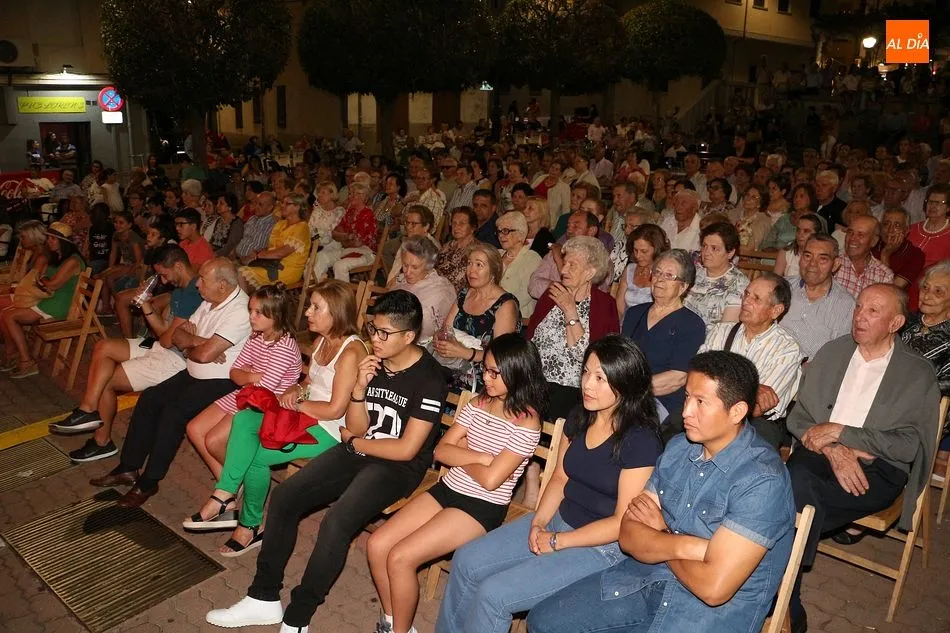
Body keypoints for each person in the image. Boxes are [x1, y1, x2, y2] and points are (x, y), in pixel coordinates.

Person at [205, 290, 448, 632]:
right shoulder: (373, 365)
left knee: (336, 522)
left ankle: (298, 617)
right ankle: (263, 598)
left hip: (396, 466)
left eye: (383, 334)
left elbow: (407, 450)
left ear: (408, 336)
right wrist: (360, 390)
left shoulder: (431, 378)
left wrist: (356, 440)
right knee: (286, 496)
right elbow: (355, 425)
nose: (374, 340)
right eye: (372, 330)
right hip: (360, 447)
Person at [527, 351, 796, 633]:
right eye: (687, 397)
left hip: (704, 616)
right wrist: (689, 546)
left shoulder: (762, 481)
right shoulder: (679, 448)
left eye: (701, 402)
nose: (687, 411)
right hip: (644, 580)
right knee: (544, 621)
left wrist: (663, 535)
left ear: (737, 412)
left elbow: (713, 588)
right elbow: (629, 535)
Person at [436, 335, 663, 633]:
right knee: (467, 560)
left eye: (600, 378)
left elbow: (622, 522)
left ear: (626, 384)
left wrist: (558, 541)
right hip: (558, 520)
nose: (587, 385)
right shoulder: (581, 416)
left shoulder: (640, 440)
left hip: (600, 546)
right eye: (585, 373)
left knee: (495, 595)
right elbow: (559, 477)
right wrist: (538, 524)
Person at [785, 284, 940, 633]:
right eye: (858, 307)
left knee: (788, 498)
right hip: (817, 455)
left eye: (873, 311)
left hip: (879, 471)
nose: (859, 316)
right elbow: (797, 418)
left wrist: (842, 432)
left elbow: (908, 447)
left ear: (896, 322)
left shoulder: (916, 373)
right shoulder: (833, 352)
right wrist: (833, 448)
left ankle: (782, 594)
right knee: (798, 484)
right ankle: (787, 598)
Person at [367, 334, 546, 633]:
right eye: (485, 369)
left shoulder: (527, 422)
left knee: (400, 557)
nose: (485, 378)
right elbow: (440, 451)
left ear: (516, 372)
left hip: (482, 506)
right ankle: (392, 622)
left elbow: (491, 482)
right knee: (377, 544)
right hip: (449, 488)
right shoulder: (479, 403)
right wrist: (486, 458)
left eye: (494, 373)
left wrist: (468, 458)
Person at [89, 258, 251, 508]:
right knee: (150, 398)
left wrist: (194, 344)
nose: (197, 284)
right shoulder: (211, 300)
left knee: (173, 413)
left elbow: (204, 354)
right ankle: (128, 467)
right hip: (195, 371)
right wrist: (198, 342)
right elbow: (177, 336)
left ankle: (149, 481)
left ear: (221, 284)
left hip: (222, 379)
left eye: (203, 279)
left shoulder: (240, 311)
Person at [50, 246, 203, 461]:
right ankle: (88, 409)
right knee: (103, 347)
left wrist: (147, 308)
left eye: (164, 274)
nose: (164, 280)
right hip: (162, 346)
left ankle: (101, 441)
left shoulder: (194, 293)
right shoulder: (180, 290)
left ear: (178, 266)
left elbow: (168, 340)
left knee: (107, 379)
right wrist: (149, 304)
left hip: (176, 359)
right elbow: (165, 335)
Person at [691, 273, 803, 448]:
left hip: (757, 423)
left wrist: (720, 383)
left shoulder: (787, 349)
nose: (746, 301)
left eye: (756, 298)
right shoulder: (721, 332)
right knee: (673, 428)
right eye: (747, 294)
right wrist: (753, 387)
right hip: (707, 409)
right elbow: (697, 378)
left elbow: (757, 407)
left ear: (776, 310)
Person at [526, 236, 619, 413]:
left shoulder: (605, 305)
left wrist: (570, 309)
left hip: (574, 393)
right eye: (565, 263)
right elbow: (530, 340)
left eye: (572, 265)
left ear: (590, 273)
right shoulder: (551, 294)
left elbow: (589, 358)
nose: (564, 269)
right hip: (533, 383)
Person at [621, 249, 706, 418]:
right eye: (657, 272)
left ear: (683, 287)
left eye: (669, 275)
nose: (660, 279)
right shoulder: (634, 313)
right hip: (624, 393)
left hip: (660, 400)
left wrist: (629, 390)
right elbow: (621, 358)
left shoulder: (691, 324)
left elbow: (677, 378)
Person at [0, 222, 85, 379]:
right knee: (5, 313)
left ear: (64, 242)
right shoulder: (58, 256)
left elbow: (52, 284)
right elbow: (42, 279)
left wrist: (43, 279)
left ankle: (26, 361)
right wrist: (43, 279)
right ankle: (15, 355)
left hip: (59, 304)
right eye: (49, 238)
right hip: (48, 299)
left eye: (53, 239)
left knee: (8, 316)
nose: (49, 242)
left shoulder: (73, 261)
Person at [433, 244, 520, 387]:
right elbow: (446, 329)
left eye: (479, 265)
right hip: (452, 364)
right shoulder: (464, 294)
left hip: (484, 374)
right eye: (469, 264)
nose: (471, 270)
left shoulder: (505, 305)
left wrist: (465, 353)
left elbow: (501, 356)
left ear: (493, 271)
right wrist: (440, 339)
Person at [901, 262, 950, 480]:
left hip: (926, 409)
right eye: (925, 288)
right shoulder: (903, 320)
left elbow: (945, 386)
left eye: (938, 291)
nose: (928, 295)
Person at [783, 234, 856, 361]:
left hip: (812, 373)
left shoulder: (847, 305)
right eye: (807, 256)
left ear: (835, 265)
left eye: (822, 259)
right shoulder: (782, 288)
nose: (812, 264)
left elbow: (839, 356)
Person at [239, 193, 311, 290]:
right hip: (271, 264)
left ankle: (247, 303)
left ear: (297, 207)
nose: (282, 206)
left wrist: (259, 255)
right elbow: (270, 247)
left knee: (240, 274)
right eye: (282, 203)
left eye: (287, 203)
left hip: (286, 270)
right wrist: (255, 253)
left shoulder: (302, 227)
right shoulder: (280, 224)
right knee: (235, 274)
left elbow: (282, 253)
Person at [391, 236, 456, 342]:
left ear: (428, 266)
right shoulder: (401, 280)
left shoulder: (440, 290)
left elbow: (424, 331)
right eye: (405, 265)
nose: (407, 272)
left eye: (415, 267)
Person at [312, 183, 378, 283]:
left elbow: (358, 243)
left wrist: (343, 239)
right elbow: (334, 233)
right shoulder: (350, 211)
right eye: (350, 193)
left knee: (339, 265)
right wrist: (347, 237)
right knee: (321, 256)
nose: (349, 196)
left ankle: (343, 297)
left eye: (353, 194)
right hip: (346, 249)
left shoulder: (367, 214)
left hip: (366, 252)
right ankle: (316, 288)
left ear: (362, 196)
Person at [685, 222, 749, 326]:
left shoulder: (739, 285)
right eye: (704, 246)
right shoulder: (693, 273)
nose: (706, 252)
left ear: (730, 252)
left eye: (714, 248)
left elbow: (725, 330)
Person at [874, 208, 925, 310]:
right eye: (886, 224)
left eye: (897, 225)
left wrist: (885, 256)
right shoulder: (873, 244)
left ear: (906, 230)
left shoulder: (915, 254)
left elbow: (892, 288)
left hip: (891, 306)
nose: (890, 229)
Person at [614, 224, 669, 316]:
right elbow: (619, 308)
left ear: (657, 249)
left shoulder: (664, 275)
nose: (638, 255)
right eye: (635, 250)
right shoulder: (630, 269)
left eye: (644, 251)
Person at [833, 215, 894, 298]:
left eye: (860, 235)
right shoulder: (832, 263)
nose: (852, 238)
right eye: (850, 232)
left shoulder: (884, 275)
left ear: (874, 241)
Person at [497, 211, 542, 318]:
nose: (500, 235)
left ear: (520, 234)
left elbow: (524, 295)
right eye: (499, 231)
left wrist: (496, 308)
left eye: (505, 231)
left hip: (517, 317)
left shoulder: (532, 258)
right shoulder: (496, 254)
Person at [386, 206, 439, 286]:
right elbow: (394, 273)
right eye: (407, 223)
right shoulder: (410, 242)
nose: (408, 227)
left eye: (414, 224)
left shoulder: (431, 249)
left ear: (426, 226)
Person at [907, 183, 950, 269]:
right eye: (930, 202)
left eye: (938, 203)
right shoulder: (911, 229)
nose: (933, 206)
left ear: (948, 207)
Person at [437, 207, 479, 293]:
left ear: (472, 228)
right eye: (454, 223)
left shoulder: (476, 250)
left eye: (462, 223)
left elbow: (459, 281)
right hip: (437, 287)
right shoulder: (447, 246)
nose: (456, 227)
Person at [774, 213, 824, 279]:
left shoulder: (823, 256)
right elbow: (775, 280)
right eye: (798, 230)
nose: (800, 234)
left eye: (806, 231)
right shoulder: (786, 252)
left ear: (818, 234)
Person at [235, 192, 279, 261]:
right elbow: (241, 238)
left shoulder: (274, 225)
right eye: (256, 203)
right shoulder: (252, 219)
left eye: (260, 204)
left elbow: (271, 248)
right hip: (236, 258)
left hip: (253, 264)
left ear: (270, 207)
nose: (256, 207)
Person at [204, 192, 245, 258]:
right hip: (213, 253)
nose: (217, 206)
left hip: (225, 256)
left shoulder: (236, 223)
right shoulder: (218, 220)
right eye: (218, 203)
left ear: (230, 207)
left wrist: (213, 255)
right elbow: (211, 240)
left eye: (221, 203)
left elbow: (230, 246)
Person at [733, 184, 772, 250]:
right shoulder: (734, 213)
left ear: (760, 203)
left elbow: (750, 248)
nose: (748, 199)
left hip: (749, 257)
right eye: (747, 195)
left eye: (753, 197)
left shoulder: (763, 220)